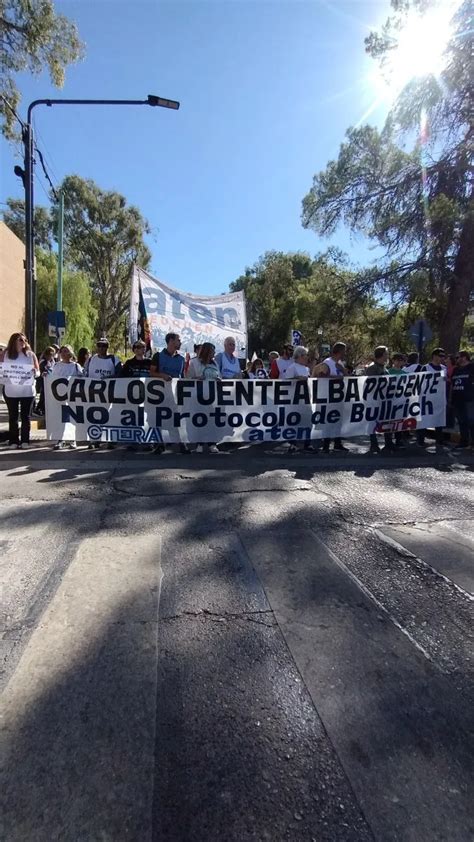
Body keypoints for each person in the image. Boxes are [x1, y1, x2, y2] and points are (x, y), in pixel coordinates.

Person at [2, 332, 39, 449]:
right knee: (13, 417)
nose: (23, 343)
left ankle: (25, 441)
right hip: (11, 391)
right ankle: (13, 441)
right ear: (14, 341)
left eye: (25, 340)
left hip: (27, 391)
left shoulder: (30, 355)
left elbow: (37, 371)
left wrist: (35, 372)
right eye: (20, 340)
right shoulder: (5, 354)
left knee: (25, 416)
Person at [312, 341, 348, 452]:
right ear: (339, 351)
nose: (345, 353)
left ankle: (337, 443)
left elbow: (347, 376)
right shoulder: (327, 363)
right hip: (328, 397)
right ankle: (326, 445)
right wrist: (337, 377)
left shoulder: (340, 363)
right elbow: (321, 377)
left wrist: (343, 371)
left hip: (338, 396)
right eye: (344, 351)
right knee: (328, 421)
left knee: (338, 421)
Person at [185, 342, 221, 453]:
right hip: (198, 396)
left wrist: (219, 379)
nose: (214, 353)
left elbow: (219, 376)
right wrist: (196, 378)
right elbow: (187, 379)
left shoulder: (215, 364)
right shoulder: (194, 362)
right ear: (207, 351)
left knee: (211, 421)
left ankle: (212, 444)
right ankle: (199, 444)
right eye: (213, 351)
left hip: (212, 397)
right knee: (199, 421)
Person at [365, 346, 399, 454]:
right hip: (375, 400)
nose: (388, 356)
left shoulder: (384, 368)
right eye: (387, 353)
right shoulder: (372, 368)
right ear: (382, 355)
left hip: (385, 400)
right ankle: (374, 445)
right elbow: (371, 385)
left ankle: (388, 443)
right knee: (372, 422)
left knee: (387, 421)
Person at [51, 346, 83, 450]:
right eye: (62, 352)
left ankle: (72, 440)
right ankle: (60, 440)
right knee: (60, 419)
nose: (64, 354)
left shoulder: (76, 366)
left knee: (72, 419)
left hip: (73, 397)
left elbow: (82, 378)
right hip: (59, 397)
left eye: (66, 351)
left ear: (71, 353)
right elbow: (51, 378)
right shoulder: (56, 366)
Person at [418, 348, 447, 446]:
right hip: (427, 399)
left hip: (439, 399)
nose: (442, 358)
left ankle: (439, 440)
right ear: (434, 356)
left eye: (443, 356)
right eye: (440, 356)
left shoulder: (444, 368)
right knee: (424, 420)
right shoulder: (425, 368)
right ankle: (420, 440)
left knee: (439, 419)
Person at [450, 351, 474, 449]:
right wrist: (450, 398)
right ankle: (464, 442)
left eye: (458, 357)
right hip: (457, 399)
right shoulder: (456, 370)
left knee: (471, 421)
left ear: (464, 357)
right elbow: (452, 383)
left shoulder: (472, 367)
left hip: (469, 399)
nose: (456, 359)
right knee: (461, 421)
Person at [35, 346, 56, 415]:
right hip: (43, 381)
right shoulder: (43, 361)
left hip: (50, 380)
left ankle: (43, 409)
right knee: (43, 395)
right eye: (51, 355)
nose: (52, 356)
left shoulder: (52, 361)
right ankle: (38, 408)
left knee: (47, 395)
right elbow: (42, 371)